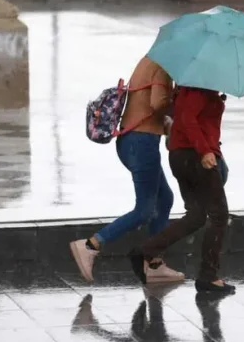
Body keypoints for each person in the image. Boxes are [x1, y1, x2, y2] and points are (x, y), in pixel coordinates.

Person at [70, 56, 184, 284]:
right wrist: (180, 101)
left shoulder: (149, 61)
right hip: (142, 142)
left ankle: (154, 264)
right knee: (144, 210)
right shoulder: (163, 67)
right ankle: (91, 244)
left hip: (132, 140)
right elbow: (157, 103)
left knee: (164, 199)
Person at [128, 86, 235, 294]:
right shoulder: (199, 88)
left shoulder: (193, 87)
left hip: (182, 155)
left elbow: (189, 117)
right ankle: (208, 276)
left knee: (196, 216)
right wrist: (205, 151)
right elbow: (187, 119)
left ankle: (145, 251)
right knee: (219, 215)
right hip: (196, 157)